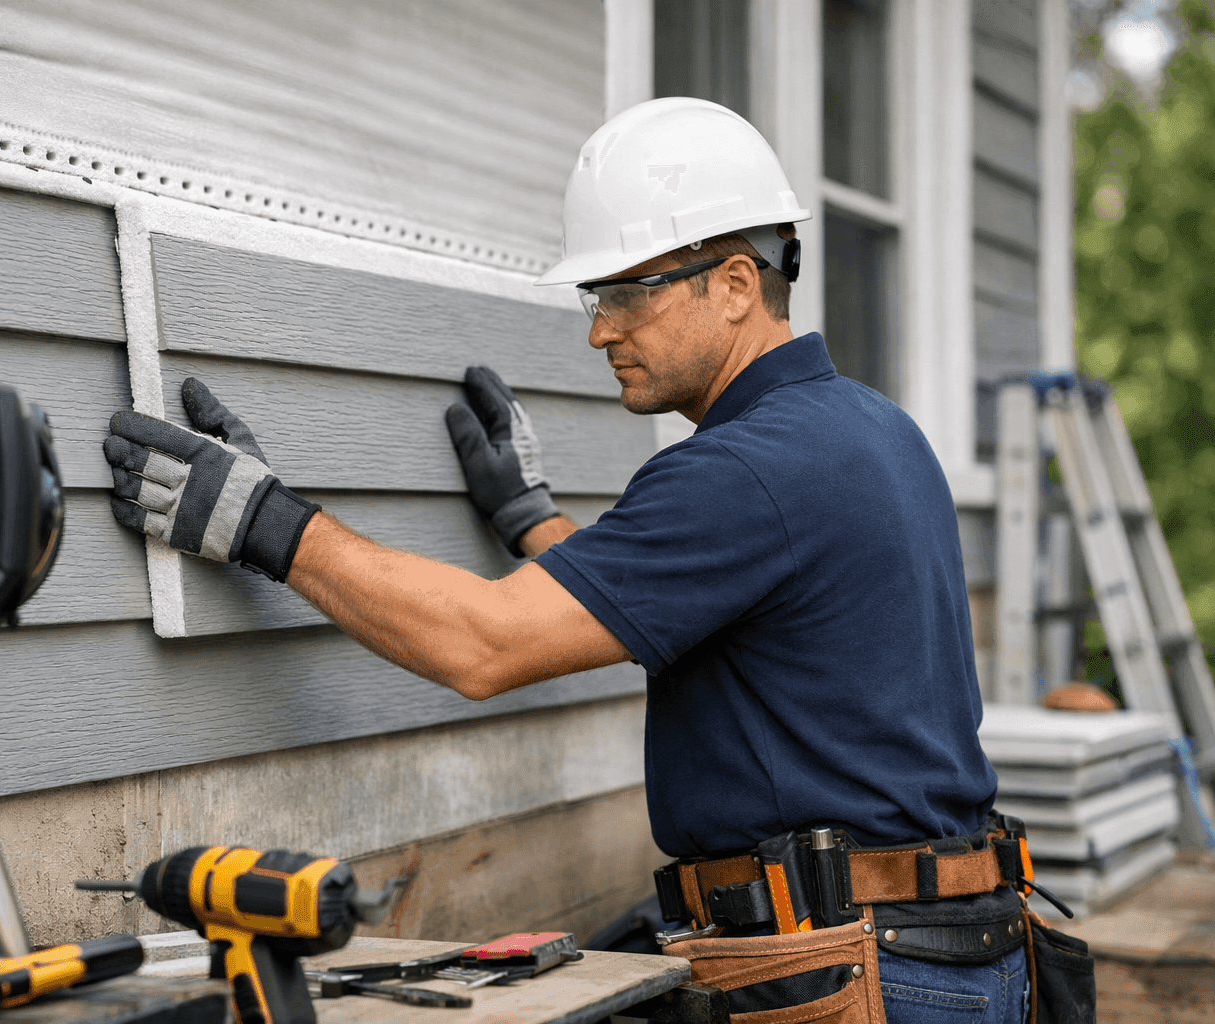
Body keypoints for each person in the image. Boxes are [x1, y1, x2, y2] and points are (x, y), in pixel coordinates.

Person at [103, 99, 1042, 1024]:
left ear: (736, 284)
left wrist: (265, 521)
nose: (601, 331)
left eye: (630, 291)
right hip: (955, 955)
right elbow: (700, 611)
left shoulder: (742, 469)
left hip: (852, 970)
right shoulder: (875, 432)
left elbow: (482, 646)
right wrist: (531, 522)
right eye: (599, 296)